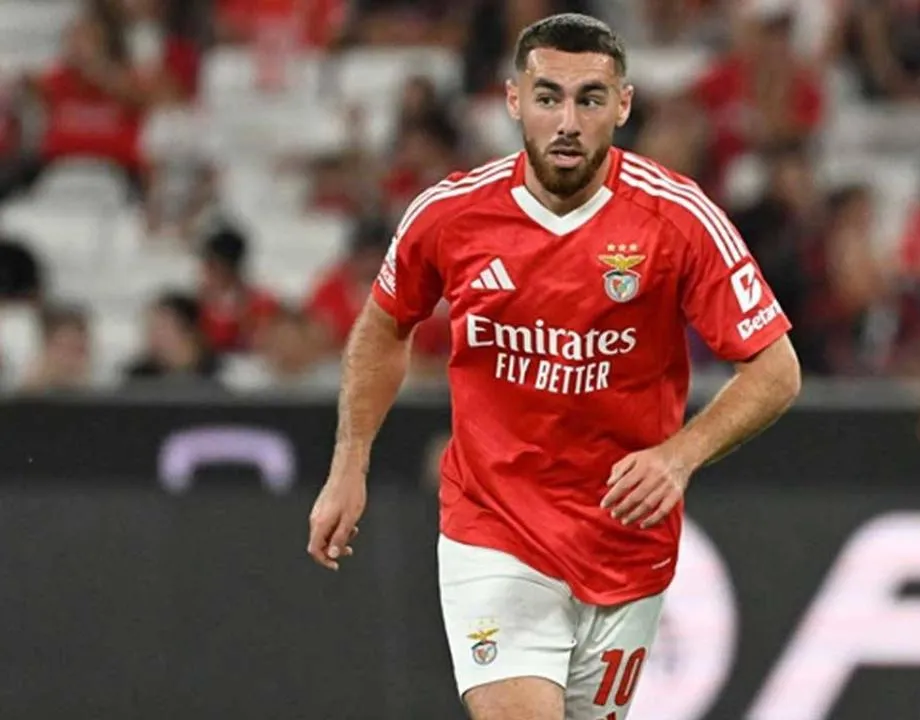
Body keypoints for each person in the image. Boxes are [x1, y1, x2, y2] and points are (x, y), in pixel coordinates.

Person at [306, 13, 801, 720]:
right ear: (514, 100)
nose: (567, 122)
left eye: (589, 99)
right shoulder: (450, 215)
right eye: (548, 97)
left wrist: (679, 456)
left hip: (623, 539)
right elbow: (386, 326)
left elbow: (775, 368)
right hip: (493, 525)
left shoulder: (678, 219)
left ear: (622, 105)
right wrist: (349, 463)